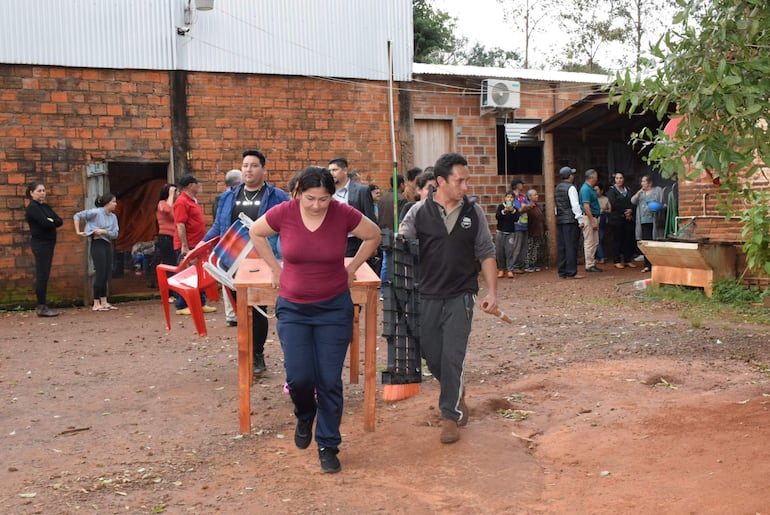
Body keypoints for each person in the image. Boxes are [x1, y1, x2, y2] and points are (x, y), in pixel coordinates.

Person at [248, 166, 381, 474]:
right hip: (294, 309)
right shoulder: (284, 212)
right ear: (298, 194)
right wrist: (275, 268)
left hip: (333, 309)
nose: (317, 205)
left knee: (329, 380)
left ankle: (328, 444)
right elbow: (256, 232)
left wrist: (352, 268)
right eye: (310, 198)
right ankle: (305, 412)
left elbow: (372, 235)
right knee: (299, 377)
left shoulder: (342, 213)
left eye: (323, 199)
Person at [399, 152, 498, 445]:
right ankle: (456, 391)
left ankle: (449, 415)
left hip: (461, 294)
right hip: (426, 294)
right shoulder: (418, 212)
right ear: (441, 181)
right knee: (432, 355)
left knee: (453, 355)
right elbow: (403, 241)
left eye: (466, 180)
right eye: (459, 180)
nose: (465, 186)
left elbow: (487, 252)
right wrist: (402, 240)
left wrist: (492, 292)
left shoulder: (473, 212)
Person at [204, 150, 290, 374]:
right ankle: (247, 351)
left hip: (262, 259)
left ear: (264, 170)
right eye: (245, 165)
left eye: (253, 165)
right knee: (241, 308)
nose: (248, 170)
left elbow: (288, 226)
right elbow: (218, 226)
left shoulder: (277, 196)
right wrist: (199, 246)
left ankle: (257, 355)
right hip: (231, 261)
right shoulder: (228, 196)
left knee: (257, 307)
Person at [173, 174, 216, 315]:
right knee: (185, 274)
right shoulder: (182, 202)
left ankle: (200, 302)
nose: (199, 186)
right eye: (197, 183)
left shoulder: (192, 201)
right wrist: (184, 246)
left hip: (196, 244)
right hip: (188, 244)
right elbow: (180, 224)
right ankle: (181, 305)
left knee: (198, 273)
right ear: (190, 185)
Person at [208, 168, 243, 325]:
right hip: (237, 243)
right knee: (237, 279)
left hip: (223, 245)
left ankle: (231, 315)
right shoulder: (232, 198)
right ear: (238, 182)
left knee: (226, 280)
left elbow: (217, 223)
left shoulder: (220, 199)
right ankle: (240, 312)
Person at [74, 193, 120, 311]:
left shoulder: (113, 217)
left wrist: (103, 231)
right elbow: (77, 215)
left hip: (107, 244)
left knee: (106, 272)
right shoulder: (96, 212)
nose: (115, 204)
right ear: (107, 203)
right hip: (97, 244)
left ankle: (104, 301)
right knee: (100, 272)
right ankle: (96, 302)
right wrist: (78, 231)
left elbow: (115, 234)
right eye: (113, 202)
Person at [25, 181, 63, 317]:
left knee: (45, 274)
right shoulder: (33, 208)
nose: (42, 193)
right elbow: (45, 223)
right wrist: (51, 221)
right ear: (31, 193)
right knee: (42, 275)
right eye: (39, 191)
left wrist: (51, 220)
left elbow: (59, 221)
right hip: (41, 245)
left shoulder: (45, 206)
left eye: (43, 190)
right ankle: (41, 307)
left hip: (49, 244)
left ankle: (43, 305)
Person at [328, 157, 377, 257]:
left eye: (335, 170)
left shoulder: (361, 191)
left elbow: (369, 216)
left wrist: (373, 246)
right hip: (331, 240)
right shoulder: (327, 192)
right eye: (329, 171)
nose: (331, 173)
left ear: (345, 170)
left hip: (353, 240)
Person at [555, 166, 585, 279]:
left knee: (562, 246)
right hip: (570, 220)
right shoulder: (571, 188)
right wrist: (580, 219)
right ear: (569, 176)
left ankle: (562, 271)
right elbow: (575, 205)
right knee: (571, 246)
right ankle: (572, 271)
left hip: (561, 219)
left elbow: (556, 205)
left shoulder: (557, 187)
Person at [631, 174, 665, 273]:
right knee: (646, 243)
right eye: (642, 181)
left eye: (644, 181)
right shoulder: (641, 193)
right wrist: (638, 193)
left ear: (650, 182)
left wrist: (656, 207)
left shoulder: (657, 190)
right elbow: (633, 201)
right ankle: (647, 265)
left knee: (655, 243)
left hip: (654, 221)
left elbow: (663, 203)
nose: (642, 183)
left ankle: (656, 264)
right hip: (643, 221)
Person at [606, 171, 637, 269]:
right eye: (617, 178)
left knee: (628, 239)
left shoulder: (628, 189)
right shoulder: (611, 191)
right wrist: (625, 211)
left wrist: (631, 210)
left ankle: (628, 259)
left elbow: (632, 201)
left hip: (628, 218)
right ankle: (617, 260)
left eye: (621, 178)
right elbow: (614, 203)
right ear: (614, 180)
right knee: (617, 239)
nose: (619, 180)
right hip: (616, 218)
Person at [579, 169, 603, 273]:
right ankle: (589, 264)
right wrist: (592, 220)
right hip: (589, 217)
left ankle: (591, 263)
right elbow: (586, 206)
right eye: (596, 177)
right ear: (591, 177)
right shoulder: (585, 189)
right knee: (589, 241)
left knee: (595, 241)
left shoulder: (589, 188)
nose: (597, 179)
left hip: (593, 217)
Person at [509, 178, 532, 274]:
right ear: (517, 185)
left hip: (524, 224)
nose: (522, 186)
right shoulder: (511, 197)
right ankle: (513, 266)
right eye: (520, 184)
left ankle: (520, 265)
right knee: (516, 247)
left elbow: (530, 205)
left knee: (523, 246)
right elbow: (516, 209)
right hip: (516, 225)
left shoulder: (522, 197)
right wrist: (524, 207)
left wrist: (524, 207)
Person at [494, 190, 518, 278]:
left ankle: (510, 270)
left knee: (509, 251)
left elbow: (516, 219)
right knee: (499, 252)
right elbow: (497, 217)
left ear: (513, 199)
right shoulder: (501, 207)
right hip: (500, 232)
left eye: (511, 197)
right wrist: (504, 211)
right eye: (508, 197)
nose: (509, 199)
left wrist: (512, 211)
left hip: (510, 233)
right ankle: (501, 269)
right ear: (505, 198)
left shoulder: (515, 209)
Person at [526, 188, 546, 272]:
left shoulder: (537, 207)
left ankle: (533, 263)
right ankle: (527, 265)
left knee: (535, 248)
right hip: (531, 231)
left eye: (537, 194)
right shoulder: (528, 207)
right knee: (529, 248)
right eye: (535, 195)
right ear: (530, 197)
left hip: (538, 231)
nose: (537, 196)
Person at [594, 183, 611, 265]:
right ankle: (599, 256)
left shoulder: (605, 199)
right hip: (594, 219)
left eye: (596, 190)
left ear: (601, 191)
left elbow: (610, 210)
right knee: (596, 239)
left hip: (602, 219)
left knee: (599, 238)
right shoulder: (592, 199)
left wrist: (604, 210)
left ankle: (600, 256)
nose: (595, 192)